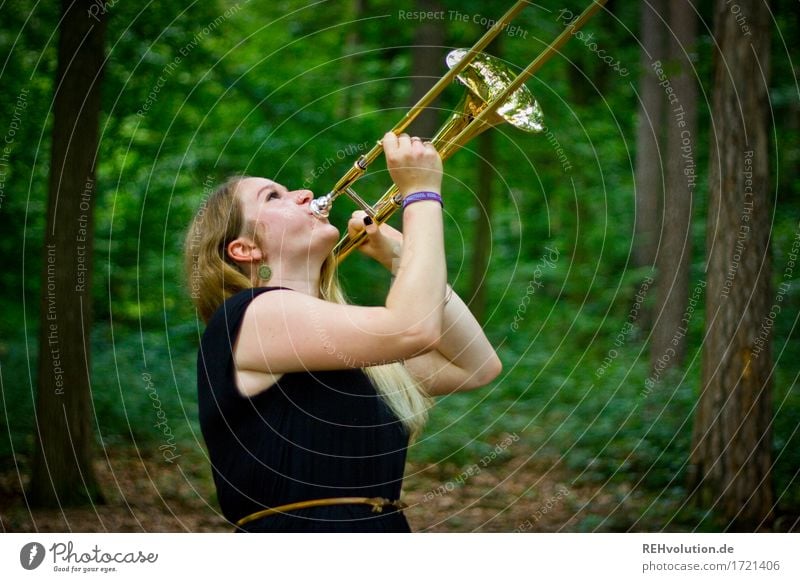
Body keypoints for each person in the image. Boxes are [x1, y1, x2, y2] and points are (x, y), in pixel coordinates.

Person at [185, 132, 502, 532]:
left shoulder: (336, 342)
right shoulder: (252, 315)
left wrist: (402, 256)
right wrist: (421, 195)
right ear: (245, 249)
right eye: (273, 197)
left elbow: (475, 365)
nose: (303, 193)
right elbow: (412, 328)